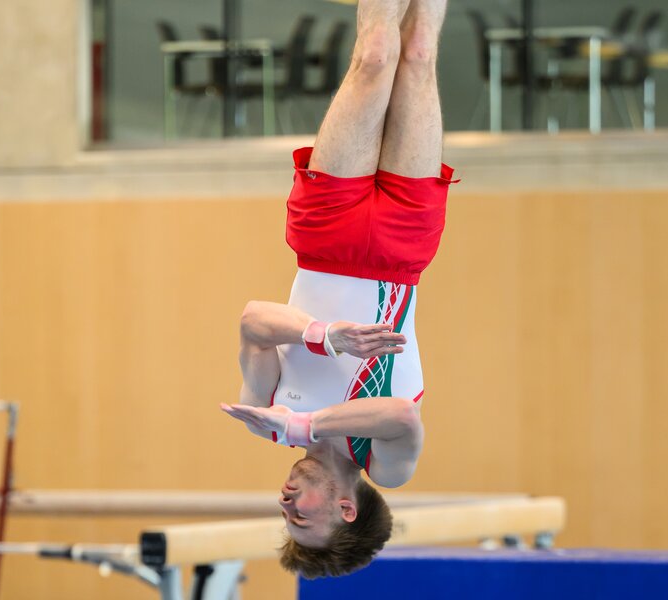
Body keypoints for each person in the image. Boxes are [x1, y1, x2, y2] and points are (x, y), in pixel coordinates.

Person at [220, 0, 456, 578]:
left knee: (376, 57)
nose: (285, 505)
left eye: (286, 517)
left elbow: (253, 320)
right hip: (401, 252)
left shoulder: (267, 415)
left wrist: (321, 335)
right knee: (420, 54)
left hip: (325, 236)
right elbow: (401, 414)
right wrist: (306, 426)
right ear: (346, 509)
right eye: (301, 519)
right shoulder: (386, 464)